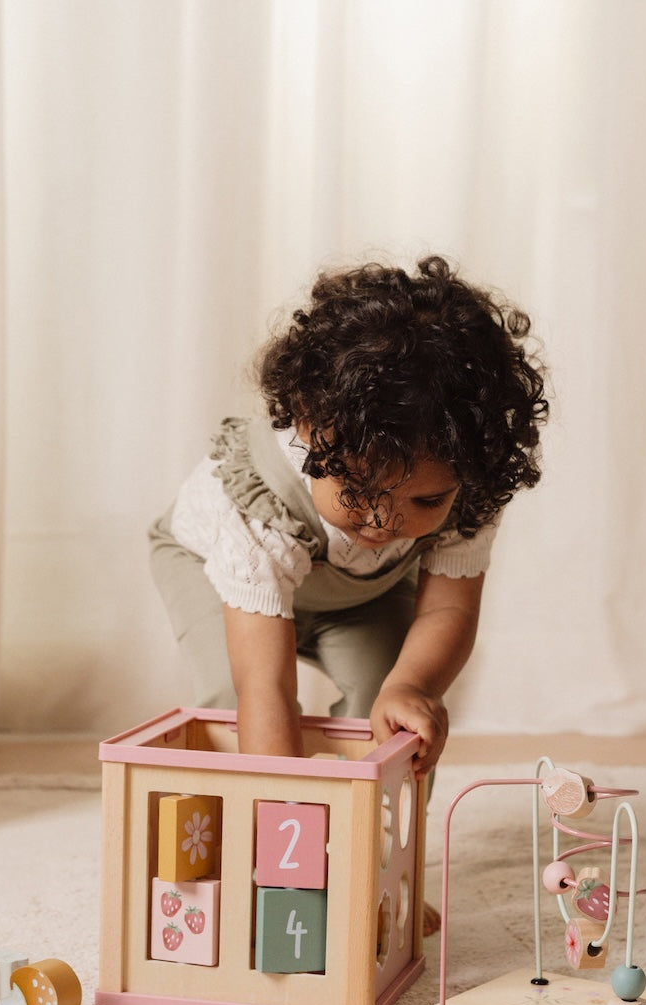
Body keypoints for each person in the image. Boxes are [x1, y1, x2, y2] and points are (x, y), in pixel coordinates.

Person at [150, 254, 548, 779]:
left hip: (357, 589)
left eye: (424, 502)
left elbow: (447, 611)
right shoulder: (258, 519)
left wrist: (414, 686)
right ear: (308, 428)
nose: (383, 525)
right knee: (236, 702)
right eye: (359, 493)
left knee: (393, 705)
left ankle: (375, 846)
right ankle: (246, 828)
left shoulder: (465, 488)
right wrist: (288, 813)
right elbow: (263, 684)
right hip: (213, 566)